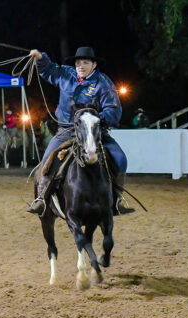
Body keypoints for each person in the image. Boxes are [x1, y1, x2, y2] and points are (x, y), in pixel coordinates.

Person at [25, 46, 125, 216]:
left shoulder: (103, 83)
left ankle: (117, 198)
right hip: (66, 131)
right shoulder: (66, 74)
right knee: (46, 163)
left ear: (94, 65)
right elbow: (49, 70)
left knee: (120, 158)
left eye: (85, 62)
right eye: (78, 63)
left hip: (94, 131)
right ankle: (42, 198)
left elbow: (113, 110)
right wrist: (40, 58)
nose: (81, 66)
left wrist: (96, 120)